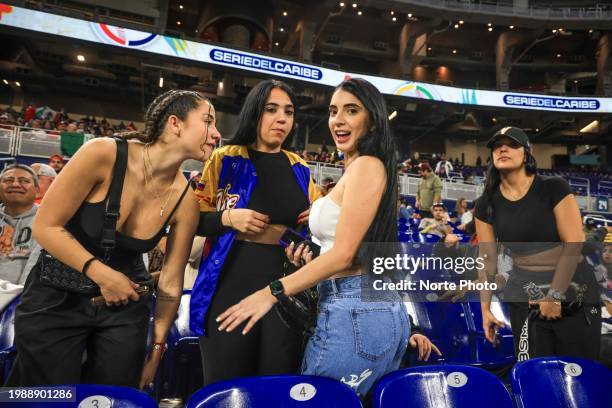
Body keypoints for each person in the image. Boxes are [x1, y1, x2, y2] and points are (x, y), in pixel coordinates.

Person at [6, 89, 221, 388]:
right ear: (175, 123)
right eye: (208, 121)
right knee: (48, 396)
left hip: (126, 307)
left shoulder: (186, 202)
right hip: (56, 294)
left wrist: (157, 350)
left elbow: (171, 282)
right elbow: (46, 226)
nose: (217, 134)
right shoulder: (103, 153)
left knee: (113, 397)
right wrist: (103, 275)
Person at [215, 78, 416, 398]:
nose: (338, 119)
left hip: (355, 308)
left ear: (373, 121)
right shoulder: (356, 168)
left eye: (352, 110)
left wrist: (270, 293)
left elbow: (344, 256)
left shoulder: (366, 165)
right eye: (334, 111)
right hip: (363, 307)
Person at [193, 80, 320, 386]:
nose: (281, 119)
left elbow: (321, 235)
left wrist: (313, 226)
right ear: (254, 113)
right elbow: (194, 219)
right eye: (271, 110)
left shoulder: (300, 167)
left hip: (284, 292)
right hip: (229, 284)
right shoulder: (224, 158)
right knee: (226, 387)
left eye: (288, 112)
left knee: (276, 386)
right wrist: (228, 217)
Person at [474, 126, 601, 362]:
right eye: (497, 145)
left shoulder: (553, 187)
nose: (502, 148)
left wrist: (554, 295)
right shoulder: (485, 204)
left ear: (526, 154)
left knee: (580, 372)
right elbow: (487, 261)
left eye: (511, 144)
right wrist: (485, 310)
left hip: (574, 287)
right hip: (526, 291)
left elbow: (574, 243)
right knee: (533, 372)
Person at [0, 164, 41, 286]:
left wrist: (19, 300)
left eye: (24, 181)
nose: (16, 184)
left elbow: (35, 268)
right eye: (8, 180)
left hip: (21, 299)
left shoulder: (47, 221)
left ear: (37, 191)